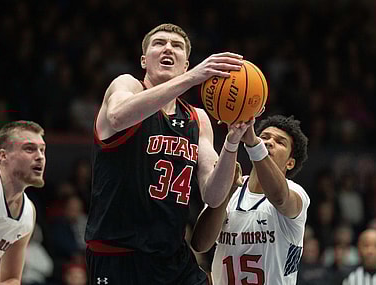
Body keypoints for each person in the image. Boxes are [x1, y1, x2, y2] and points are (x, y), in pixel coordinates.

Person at [84, 23, 252, 284]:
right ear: (144, 60)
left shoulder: (198, 119)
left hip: (173, 256)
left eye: (177, 46)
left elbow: (213, 194)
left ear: (185, 63)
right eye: (159, 43)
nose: (168, 49)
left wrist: (232, 143)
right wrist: (192, 79)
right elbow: (117, 117)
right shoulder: (126, 86)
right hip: (120, 253)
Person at [191, 114, 310, 285]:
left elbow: (279, 198)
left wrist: (253, 142)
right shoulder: (231, 186)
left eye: (280, 142)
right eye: (265, 137)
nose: (269, 143)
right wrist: (226, 192)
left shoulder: (295, 192)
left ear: (290, 163)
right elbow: (200, 244)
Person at [0, 120, 46, 284]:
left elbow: (10, 278)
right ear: (3, 155)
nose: (40, 156)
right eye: (29, 149)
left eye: (42, 150)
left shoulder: (28, 213)